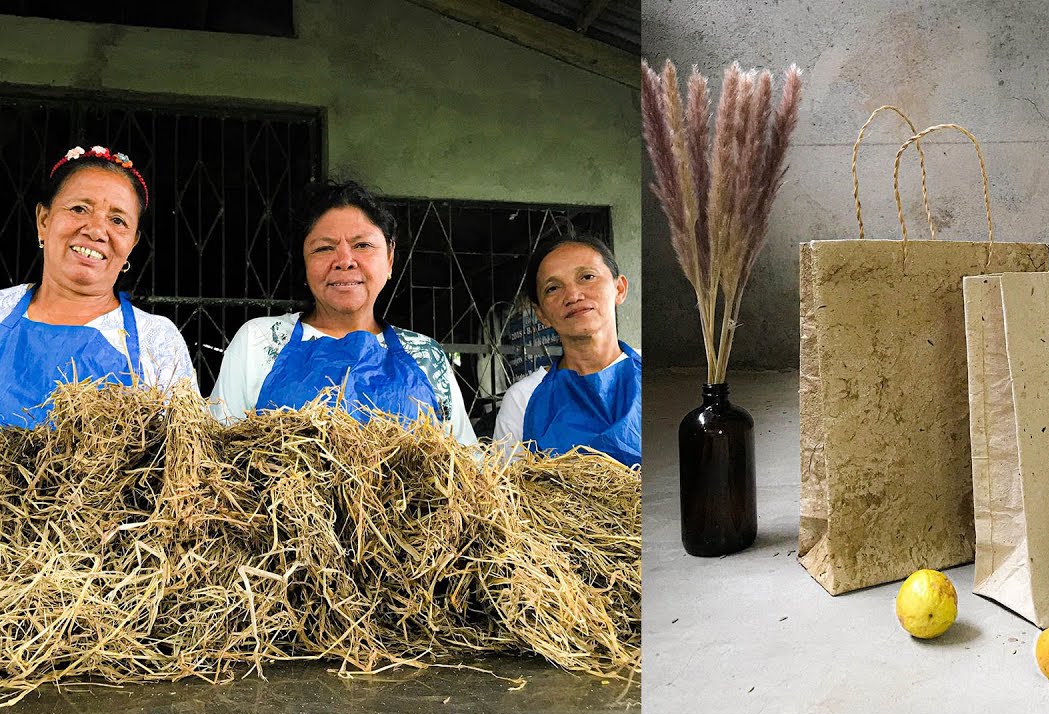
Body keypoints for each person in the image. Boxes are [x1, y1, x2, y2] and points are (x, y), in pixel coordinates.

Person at [209, 180, 476, 443]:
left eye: (362, 245)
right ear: (304, 263)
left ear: (390, 258)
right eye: (324, 248)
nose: (345, 261)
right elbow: (216, 458)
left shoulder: (426, 356)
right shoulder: (258, 342)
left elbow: (465, 470)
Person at [0, 145, 196, 428]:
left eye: (118, 220)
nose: (95, 230)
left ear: (132, 244)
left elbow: (185, 459)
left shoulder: (157, 341)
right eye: (79, 209)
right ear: (44, 221)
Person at [493, 233, 640, 466]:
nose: (573, 295)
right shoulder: (523, 400)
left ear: (619, 289)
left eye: (587, 277)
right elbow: (505, 496)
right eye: (552, 288)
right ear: (541, 314)